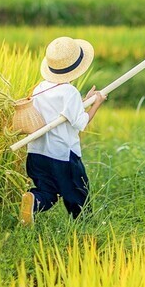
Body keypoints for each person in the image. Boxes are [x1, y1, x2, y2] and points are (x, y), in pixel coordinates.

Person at [20, 36, 106, 225]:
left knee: (47, 192)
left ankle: (34, 202)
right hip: (62, 155)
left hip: (36, 153)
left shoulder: (39, 88)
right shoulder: (69, 92)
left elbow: (61, 113)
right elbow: (80, 122)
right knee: (77, 193)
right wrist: (96, 104)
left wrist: (84, 101)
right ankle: (85, 227)